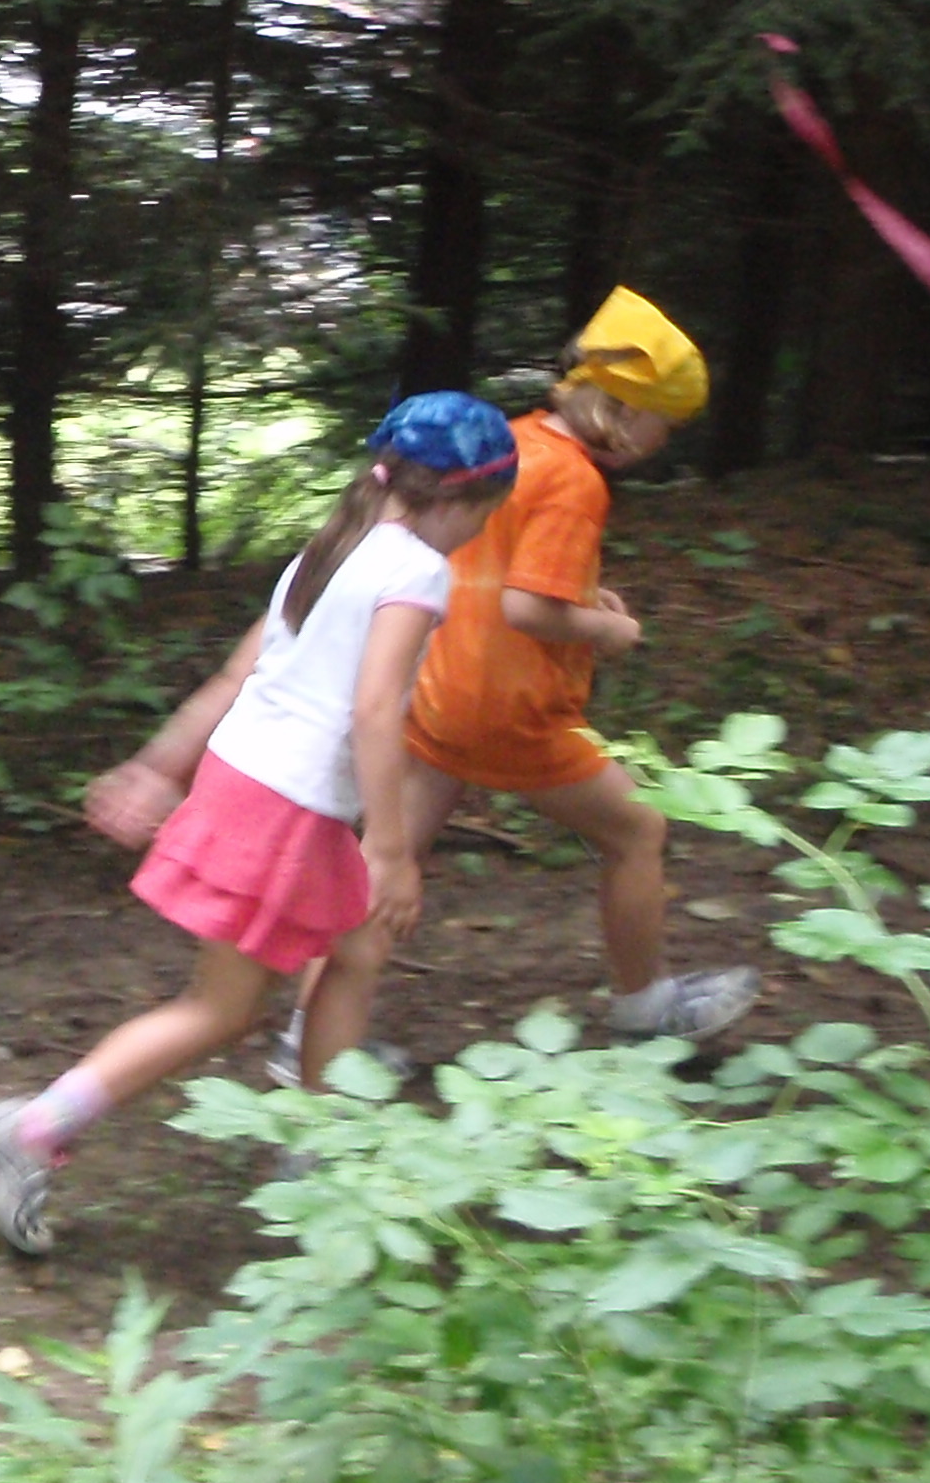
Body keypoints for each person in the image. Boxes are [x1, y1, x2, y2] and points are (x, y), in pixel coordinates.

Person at [0, 393, 520, 1255]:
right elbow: (376, 711)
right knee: (221, 1008)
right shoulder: (415, 571)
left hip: (251, 782)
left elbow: (239, 672)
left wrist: (160, 766)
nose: (479, 533)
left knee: (357, 951)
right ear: (459, 500)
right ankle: (32, 1129)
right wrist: (391, 848)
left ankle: (320, 1148)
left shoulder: (334, 547)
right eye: (485, 515)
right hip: (289, 807)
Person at [272, 287, 757, 1088]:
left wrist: (583, 599)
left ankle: (307, 1040)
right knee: (637, 831)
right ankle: (644, 1010)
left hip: (441, 690)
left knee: (386, 866)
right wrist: (606, 630)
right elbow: (527, 606)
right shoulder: (577, 481)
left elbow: (500, 572)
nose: (664, 442)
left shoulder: (515, 443)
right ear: (627, 411)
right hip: (508, 710)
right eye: (665, 425)